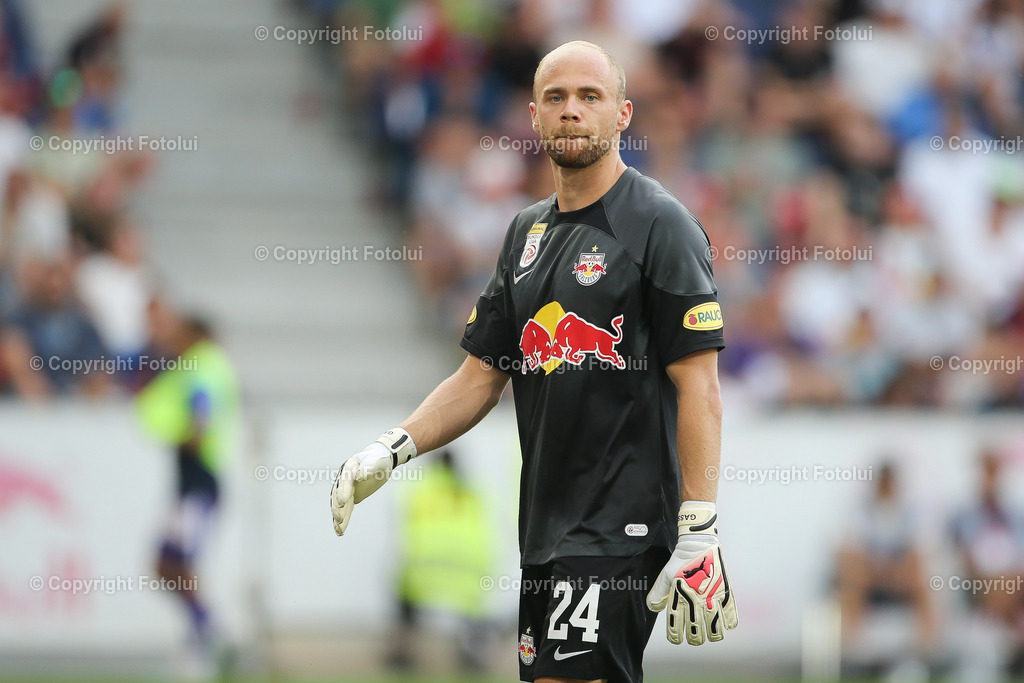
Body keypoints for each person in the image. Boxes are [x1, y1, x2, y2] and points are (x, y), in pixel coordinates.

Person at [332, 40, 737, 683]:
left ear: (623, 114)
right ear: (534, 116)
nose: (571, 110)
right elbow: (480, 375)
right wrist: (393, 447)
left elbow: (700, 386)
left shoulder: (661, 225)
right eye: (556, 98)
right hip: (547, 528)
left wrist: (699, 526)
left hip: (621, 526)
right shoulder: (526, 234)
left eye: (589, 96)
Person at [136, 301, 240, 674]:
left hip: (198, 483)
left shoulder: (202, 366)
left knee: (178, 563)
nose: (173, 340)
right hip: (191, 485)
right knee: (168, 563)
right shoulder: (210, 366)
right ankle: (208, 629)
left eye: (180, 334)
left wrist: (188, 435)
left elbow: (201, 408)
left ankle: (204, 642)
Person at [386, 449, 493, 672]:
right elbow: (485, 531)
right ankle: (473, 653)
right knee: (472, 609)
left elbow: (406, 526)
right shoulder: (470, 491)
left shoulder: (421, 489)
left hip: (426, 568)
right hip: (466, 569)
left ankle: (402, 651)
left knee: (404, 596)